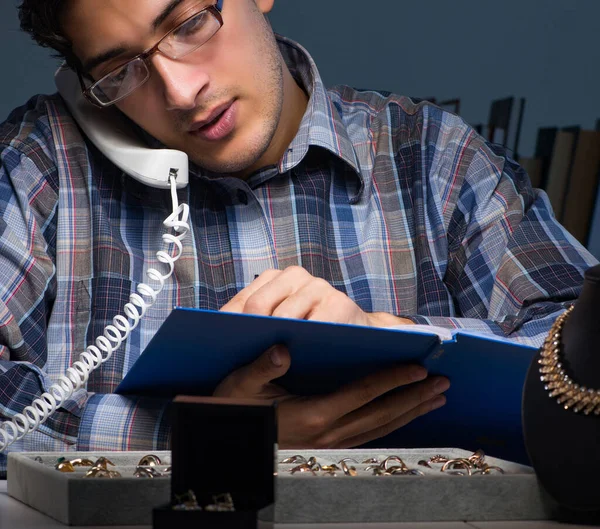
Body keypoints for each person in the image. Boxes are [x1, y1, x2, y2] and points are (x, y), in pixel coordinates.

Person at [0, 0, 596, 477]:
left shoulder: (433, 155)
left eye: (188, 23)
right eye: (119, 72)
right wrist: (193, 436)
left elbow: (585, 352)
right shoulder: (42, 161)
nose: (180, 93)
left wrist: (398, 338)